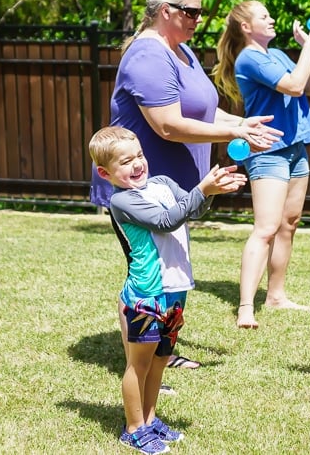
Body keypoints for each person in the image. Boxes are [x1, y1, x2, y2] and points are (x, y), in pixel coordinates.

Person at [89, 0, 281, 370]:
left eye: (200, 11)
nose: (198, 19)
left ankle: (162, 354)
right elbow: (167, 124)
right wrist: (233, 130)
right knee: (147, 279)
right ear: (166, 11)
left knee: (173, 275)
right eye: (191, 11)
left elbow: (203, 110)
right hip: (142, 192)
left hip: (174, 188)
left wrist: (242, 124)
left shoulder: (182, 51)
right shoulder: (148, 55)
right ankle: (139, 365)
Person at [88, 126, 246, 454]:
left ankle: (149, 419)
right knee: (140, 365)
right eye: (125, 161)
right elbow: (166, 221)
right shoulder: (122, 200)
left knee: (160, 360)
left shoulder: (160, 184)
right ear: (106, 173)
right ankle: (133, 429)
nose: (136, 164)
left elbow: (193, 208)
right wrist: (202, 187)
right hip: (146, 295)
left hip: (175, 290)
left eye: (139, 156)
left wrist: (211, 190)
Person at [212, 1, 310, 328]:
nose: (272, 19)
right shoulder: (249, 58)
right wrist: (306, 45)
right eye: (264, 16)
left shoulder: (275, 55)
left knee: (288, 224)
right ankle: (245, 307)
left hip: (294, 147)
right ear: (246, 27)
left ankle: (275, 296)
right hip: (267, 150)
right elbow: (292, 85)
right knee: (265, 228)